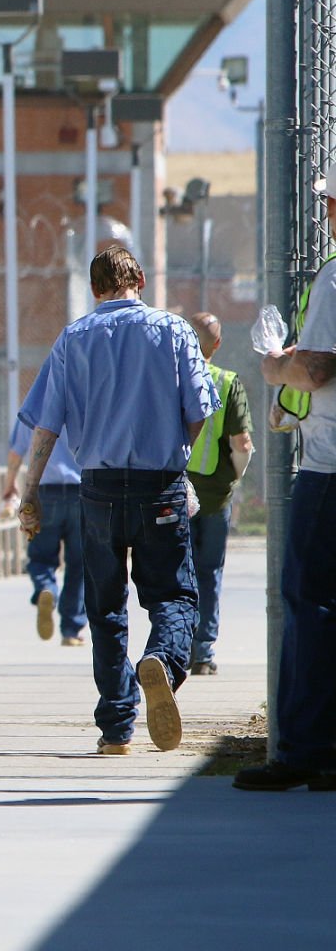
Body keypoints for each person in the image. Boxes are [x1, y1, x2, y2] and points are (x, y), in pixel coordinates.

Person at [18, 246, 215, 756]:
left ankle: (116, 728)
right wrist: (178, 448)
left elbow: (46, 425)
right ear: (141, 280)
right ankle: (163, 665)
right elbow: (200, 411)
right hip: (160, 486)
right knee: (173, 594)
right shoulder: (174, 331)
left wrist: (29, 491)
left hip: (98, 490)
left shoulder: (73, 338)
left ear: (94, 289)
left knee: (104, 607)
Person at [236, 218, 336, 789]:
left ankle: (303, 749)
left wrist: (276, 367)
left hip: (329, 469)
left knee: (310, 602)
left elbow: (318, 366)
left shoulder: (333, 277)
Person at [182, 312, 251, 677]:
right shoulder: (227, 382)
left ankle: (175, 647)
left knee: (178, 573)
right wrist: (235, 478)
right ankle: (203, 652)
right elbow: (242, 443)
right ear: (218, 344)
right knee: (209, 573)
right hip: (215, 496)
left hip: (174, 495)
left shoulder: (170, 379)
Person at [5, 415, 86, 646]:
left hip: (44, 492)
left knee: (41, 556)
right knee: (79, 563)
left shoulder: (34, 407)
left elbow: (15, 453)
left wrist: (10, 484)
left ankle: (45, 588)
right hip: (81, 492)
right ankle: (71, 629)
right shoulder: (83, 399)